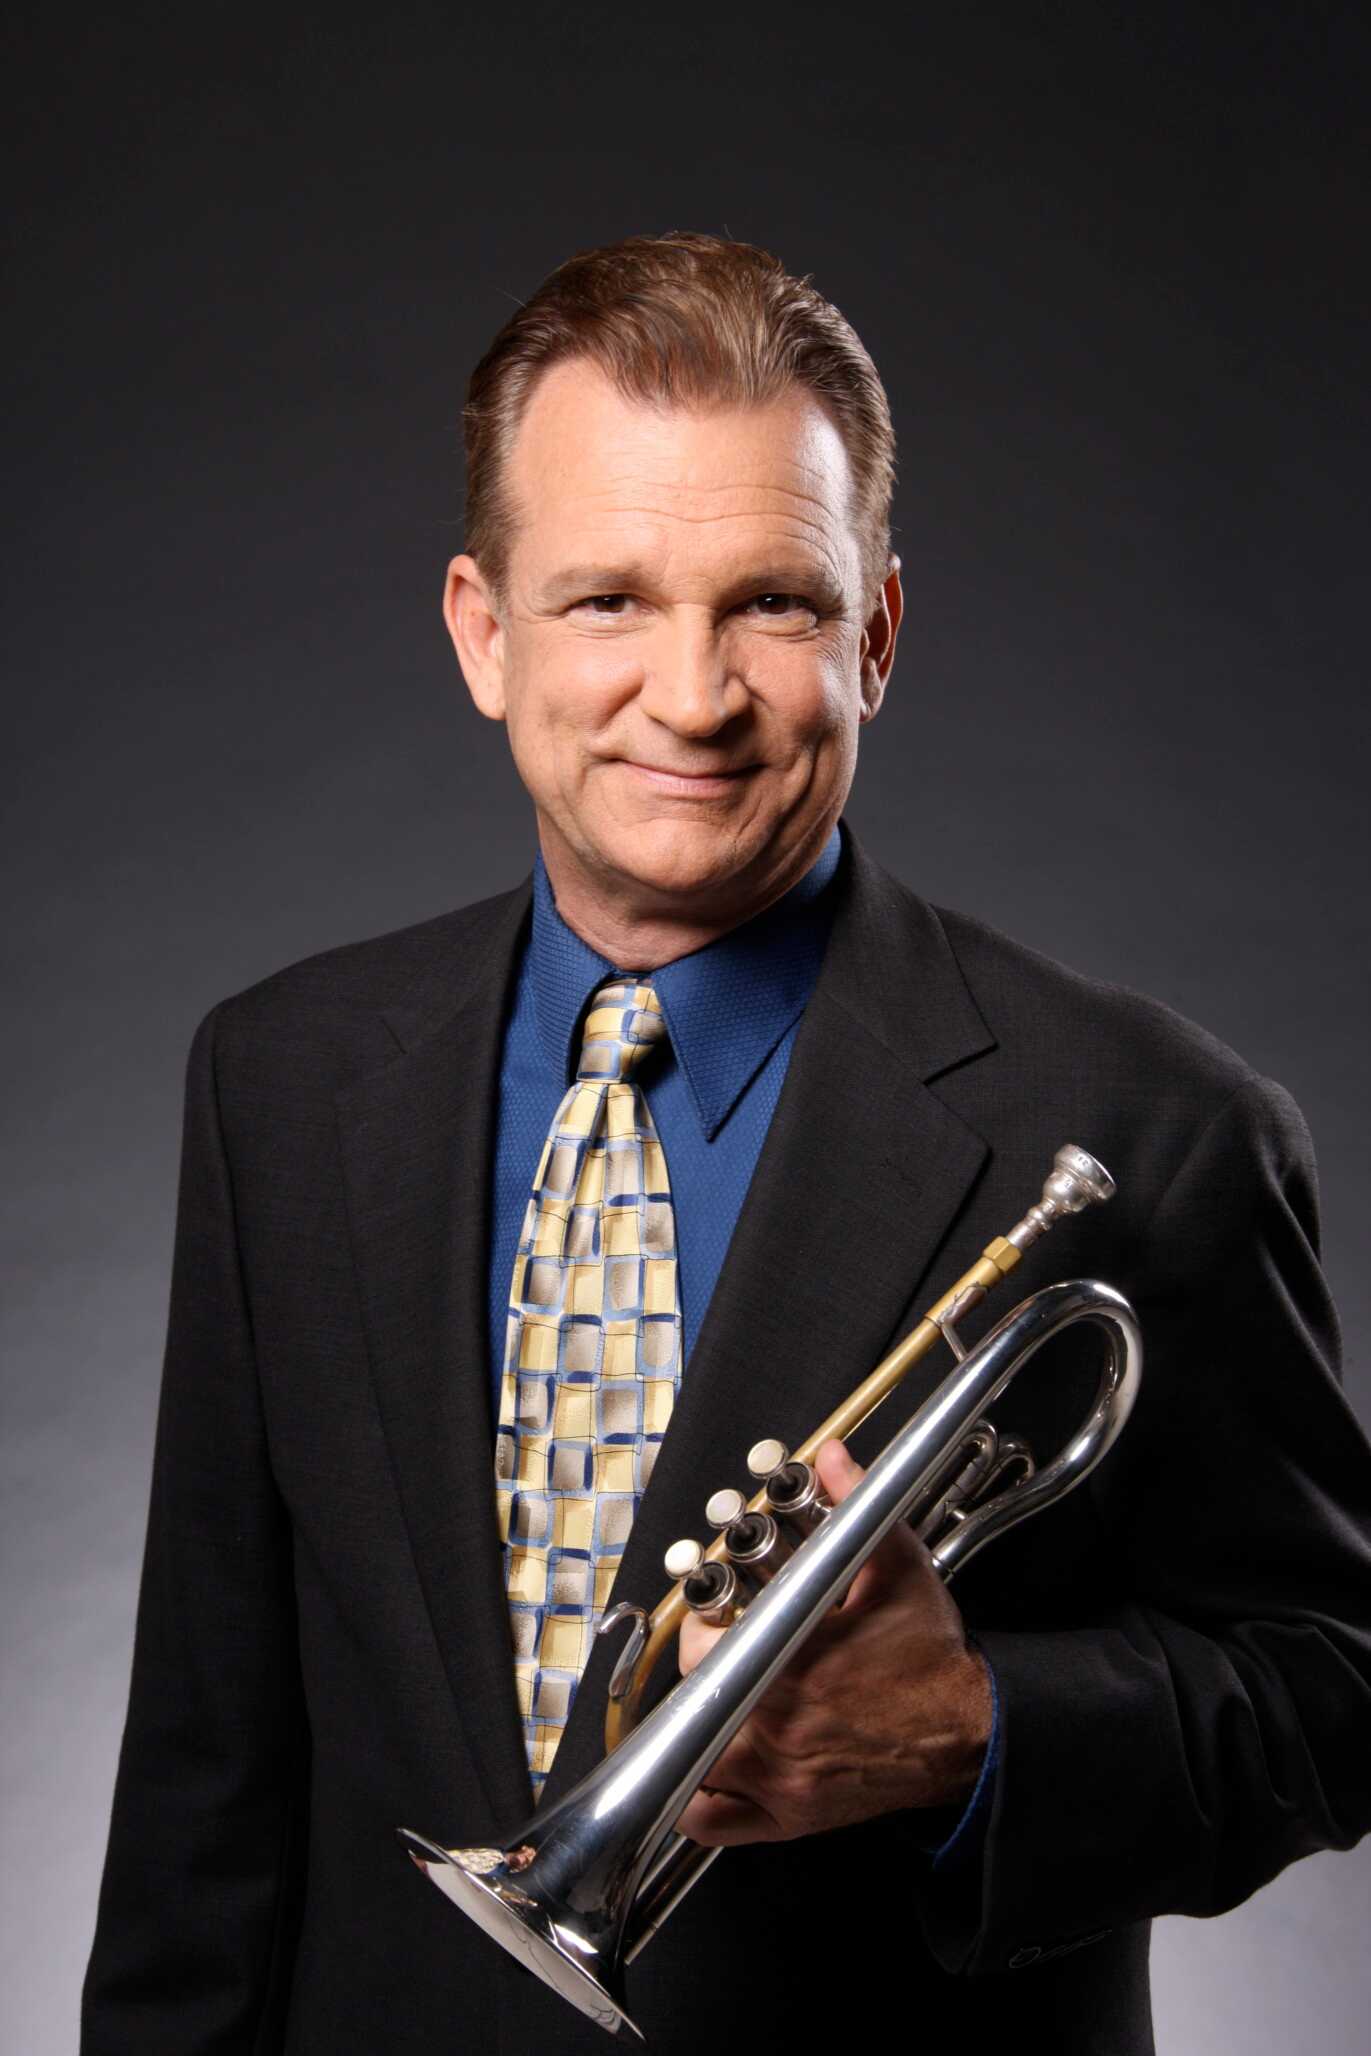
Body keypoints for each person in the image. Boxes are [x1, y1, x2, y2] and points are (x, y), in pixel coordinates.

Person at [81, 233, 1371, 2056]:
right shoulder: (281, 1081)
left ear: (878, 636)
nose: (690, 698)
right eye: (607, 599)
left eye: (770, 602)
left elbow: (1335, 1694)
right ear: (481, 632)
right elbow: (208, 1791)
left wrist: (975, 1728)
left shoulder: (1151, 1127)